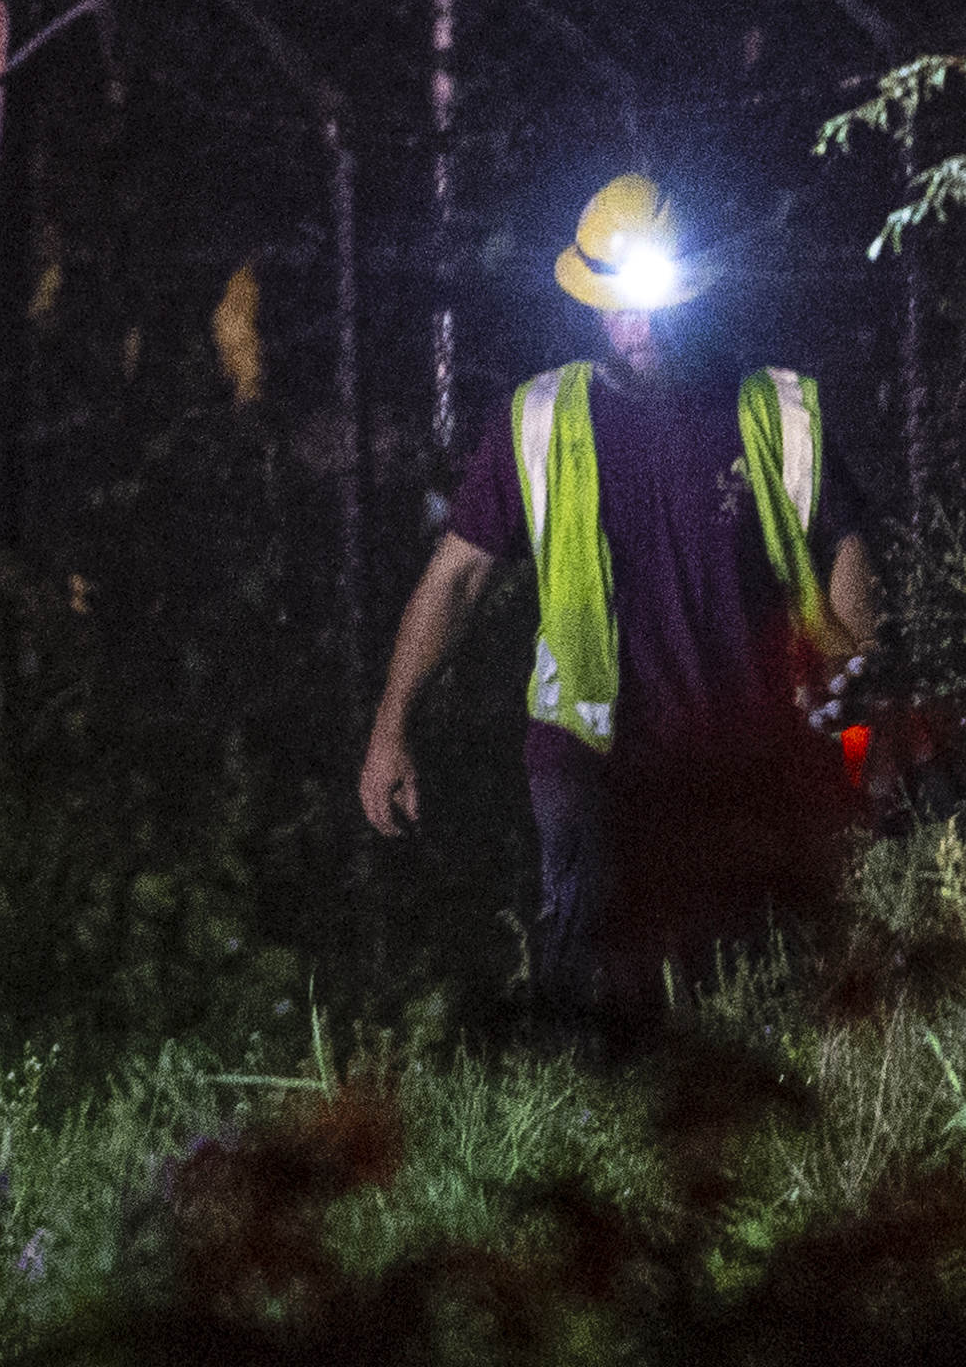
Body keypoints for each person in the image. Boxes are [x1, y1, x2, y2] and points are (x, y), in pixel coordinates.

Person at [357, 172, 878, 1003]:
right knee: (598, 982)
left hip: (744, 750)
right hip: (587, 754)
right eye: (618, 304)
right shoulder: (539, 420)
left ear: (693, 293)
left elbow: (843, 541)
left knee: (748, 985)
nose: (638, 327)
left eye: (654, 301)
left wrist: (858, 681)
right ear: (592, 303)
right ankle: (586, 1107)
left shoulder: (778, 411)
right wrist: (392, 726)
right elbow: (456, 579)